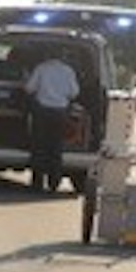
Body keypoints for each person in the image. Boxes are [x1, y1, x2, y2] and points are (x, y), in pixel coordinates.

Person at [23, 47, 80, 193]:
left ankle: (37, 182)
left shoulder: (41, 68)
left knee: (39, 146)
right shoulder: (68, 71)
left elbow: (29, 88)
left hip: (41, 112)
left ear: (47, 55)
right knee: (56, 147)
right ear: (62, 56)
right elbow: (74, 93)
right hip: (60, 113)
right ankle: (54, 182)